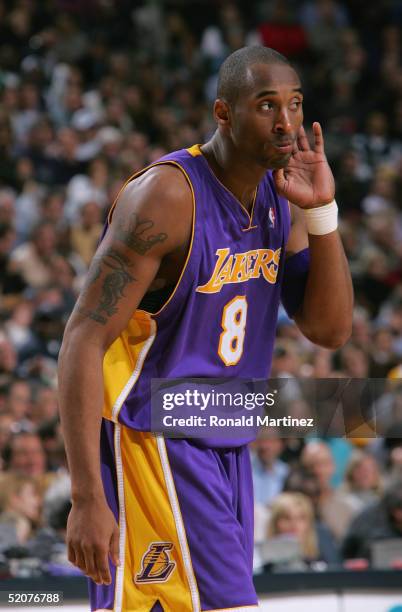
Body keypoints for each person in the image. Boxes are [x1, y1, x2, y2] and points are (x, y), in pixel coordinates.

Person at [58, 46, 353, 612]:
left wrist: (322, 213)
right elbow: (82, 338)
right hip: (153, 434)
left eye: (294, 104)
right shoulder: (168, 195)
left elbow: (329, 329)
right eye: (267, 106)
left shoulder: (279, 193)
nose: (287, 122)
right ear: (224, 113)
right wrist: (86, 497)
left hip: (227, 436)